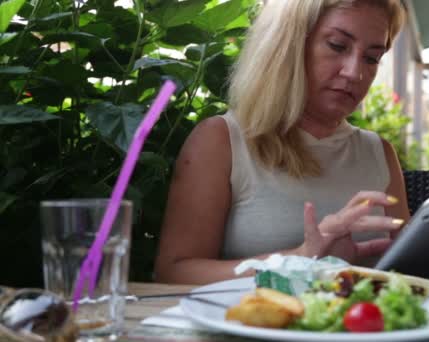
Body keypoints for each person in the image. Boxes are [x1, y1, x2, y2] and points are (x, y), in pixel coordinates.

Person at [155, 0, 409, 285]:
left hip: (370, 329)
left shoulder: (378, 152)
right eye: (338, 46)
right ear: (287, 44)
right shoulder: (222, 141)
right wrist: (300, 260)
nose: (355, 73)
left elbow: (409, 268)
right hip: (253, 325)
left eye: (372, 58)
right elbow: (174, 272)